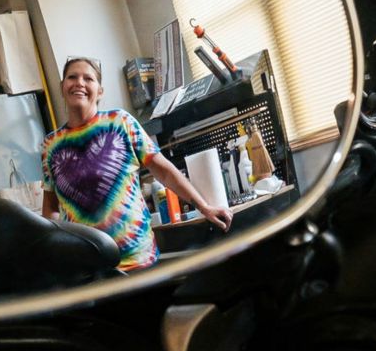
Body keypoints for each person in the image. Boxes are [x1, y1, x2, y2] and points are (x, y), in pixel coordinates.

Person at [41, 57, 233, 271]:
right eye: (72, 77)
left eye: (89, 78)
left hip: (138, 260)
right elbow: (51, 208)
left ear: (100, 91)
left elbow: (164, 171)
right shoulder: (51, 145)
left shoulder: (120, 122)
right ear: (62, 86)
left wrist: (204, 206)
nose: (79, 83)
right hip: (87, 270)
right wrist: (55, 252)